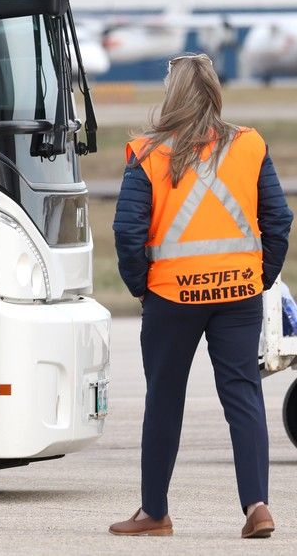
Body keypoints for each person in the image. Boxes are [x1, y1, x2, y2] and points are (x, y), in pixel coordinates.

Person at [110, 52, 292, 539]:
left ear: (172, 94)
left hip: (171, 299)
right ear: (214, 90)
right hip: (238, 293)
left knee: (164, 400)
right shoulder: (249, 145)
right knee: (243, 396)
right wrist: (260, 277)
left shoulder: (148, 153)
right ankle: (257, 506)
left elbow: (128, 234)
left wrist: (141, 289)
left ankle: (154, 512)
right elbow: (278, 220)